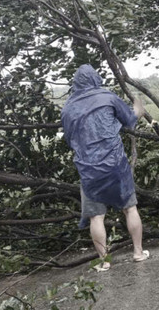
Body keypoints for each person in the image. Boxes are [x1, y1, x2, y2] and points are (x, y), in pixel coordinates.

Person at [61, 64, 149, 271]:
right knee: (130, 208)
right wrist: (138, 108)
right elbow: (129, 120)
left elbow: (69, 138)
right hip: (115, 164)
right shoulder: (107, 97)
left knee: (96, 216)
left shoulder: (68, 107)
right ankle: (138, 252)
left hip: (89, 169)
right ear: (95, 79)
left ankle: (104, 261)